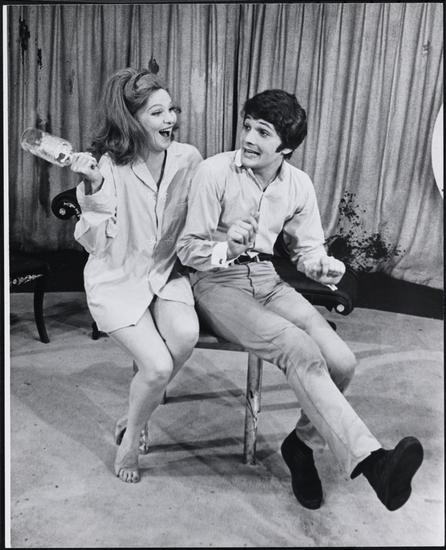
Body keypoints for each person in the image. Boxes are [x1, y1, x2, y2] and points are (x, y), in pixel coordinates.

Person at [176, 89, 423, 510]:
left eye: (263, 132)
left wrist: (320, 267)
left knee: (342, 362)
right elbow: (187, 249)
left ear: (285, 148)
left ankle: (300, 446)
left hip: (267, 278)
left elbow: (307, 251)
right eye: (247, 126)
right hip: (216, 282)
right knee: (298, 347)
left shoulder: (298, 184)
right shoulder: (213, 172)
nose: (248, 138)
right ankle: (373, 462)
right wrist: (226, 248)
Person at [70, 68, 203, 483]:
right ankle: (131, 439)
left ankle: (133, 415)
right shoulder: (107, 167)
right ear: (131, 120)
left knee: (186, 336)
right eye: (157, 113)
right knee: (158, 368)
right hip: (117, 279)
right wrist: (93, 188)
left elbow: (202, 212)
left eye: (171, 110)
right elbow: (95, 244)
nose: (170, 119)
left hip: (164, 272)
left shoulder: (188, 158)